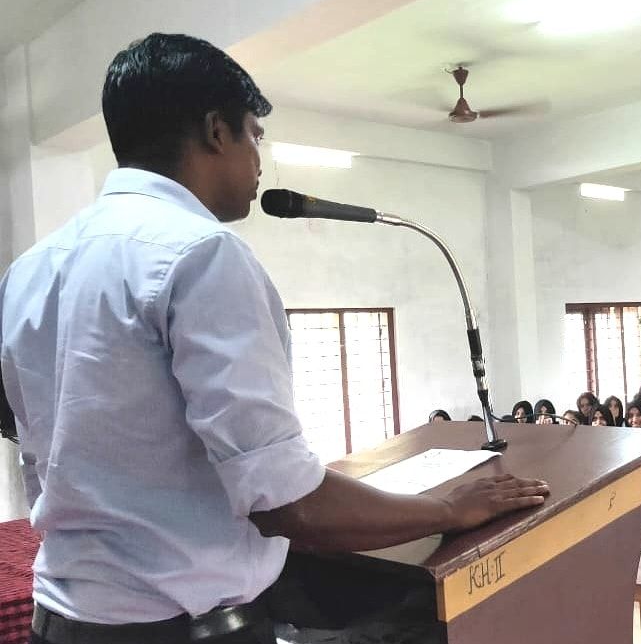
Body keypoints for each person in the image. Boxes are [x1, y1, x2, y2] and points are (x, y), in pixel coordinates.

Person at [0, 33, 549, 644]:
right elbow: (288, 505)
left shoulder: (30, 269)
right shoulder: (201, 254)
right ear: (216, 131)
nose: (260, 162)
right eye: (254, 135)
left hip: (65, 622)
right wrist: (453, 509)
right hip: (182, 626)